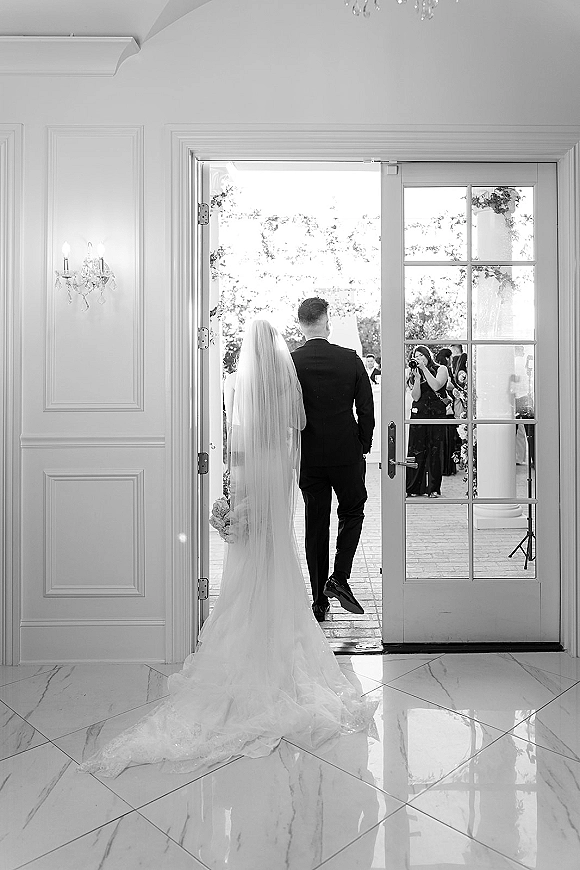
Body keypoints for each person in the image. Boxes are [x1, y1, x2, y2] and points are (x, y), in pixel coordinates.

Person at [79, 319, 377, 778]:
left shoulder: (236, 384)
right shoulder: (291, 382)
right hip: (278, 475)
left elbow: (234, 439)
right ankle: (308, 604)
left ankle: (265, 622)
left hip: (249, 473)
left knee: (254, 555)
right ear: (276, 350)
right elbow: (299, 425)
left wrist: (233, 495)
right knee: (280, 550)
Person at [291, 298, 374, 622]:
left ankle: (318, 602)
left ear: (300, 325)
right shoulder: (349, 359)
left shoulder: (291, 362)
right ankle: (339, 577)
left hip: (309, 456)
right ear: (327, 322)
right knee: (352, 511)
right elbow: (365, 409)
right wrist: (362, 445)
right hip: (346, 453)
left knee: (315, 525)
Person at [405, 345, 449, 498]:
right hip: (419, 414)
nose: (419, 359)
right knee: (416, 450)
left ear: (428, 355)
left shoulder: (441, 369)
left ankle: (433, 488)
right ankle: (413, 487)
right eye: (416, 356)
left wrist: (424, 369)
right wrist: (417, 378)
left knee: (435, 451)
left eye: (421, 355)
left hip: (436, 414)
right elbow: (415, 397)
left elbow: (436, 386)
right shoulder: (414, 372)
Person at [434, 347, 459, 477]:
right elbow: (449, 386)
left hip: (438, 407)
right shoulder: (445, 370)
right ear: (447, 358)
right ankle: (447, 467)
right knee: (448, 436)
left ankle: (442, 466)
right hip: (447, 407)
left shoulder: (434, 369)